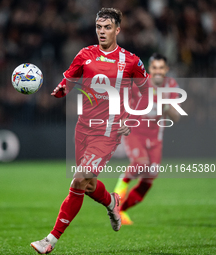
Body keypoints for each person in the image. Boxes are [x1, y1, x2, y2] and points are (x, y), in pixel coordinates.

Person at [31, 8, 150, 254]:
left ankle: (50, 241)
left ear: (118, 29)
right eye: (99, 27)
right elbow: (70, 79)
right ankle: (112, 202)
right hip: (83, 128)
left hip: (108, 132)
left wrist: (132, 118)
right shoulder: (85, 54)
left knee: (78, 180)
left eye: (107, 27)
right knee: (88, 184)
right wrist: (61, 89)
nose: (102, 32)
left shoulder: (130, 61)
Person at [114, 53, 181, 225]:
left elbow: (176, 117)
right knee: (141, 163)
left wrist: (167, 104)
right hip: (135, 133)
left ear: (166, 69)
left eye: (161, 68)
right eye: (154, 68)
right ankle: (121, 187)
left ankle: (121, 211)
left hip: (155, 139)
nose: (158, 72)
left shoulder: (171, 86)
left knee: (149, 179)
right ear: (150, 69)